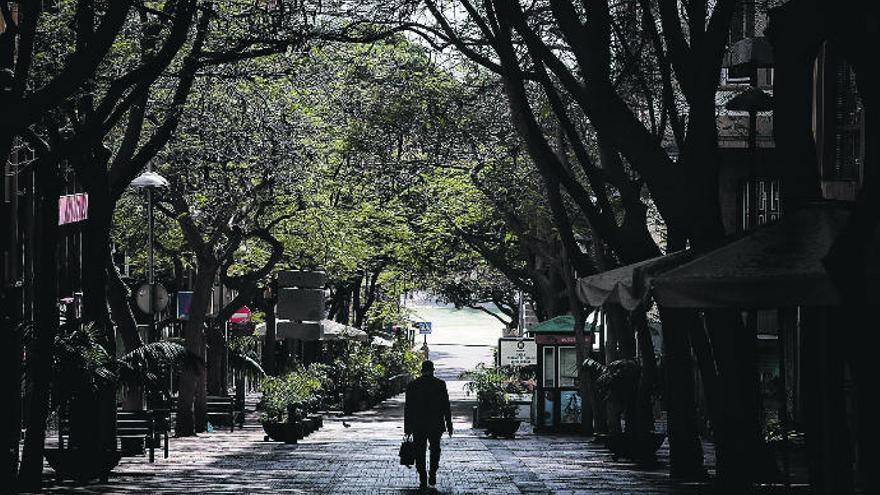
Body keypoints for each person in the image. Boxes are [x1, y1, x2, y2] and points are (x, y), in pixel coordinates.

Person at [404, 360, 453, 489]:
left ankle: (422, 476)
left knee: (420, 451)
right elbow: (446, 406)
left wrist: (407, 427)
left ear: (421, 370)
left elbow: (408, 408)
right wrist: (449, 423)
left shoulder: (413, 385)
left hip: (418, 424)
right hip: (435, 424)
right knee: (435, 449)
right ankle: (433, 472)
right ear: (433, 370)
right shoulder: (440, 384)